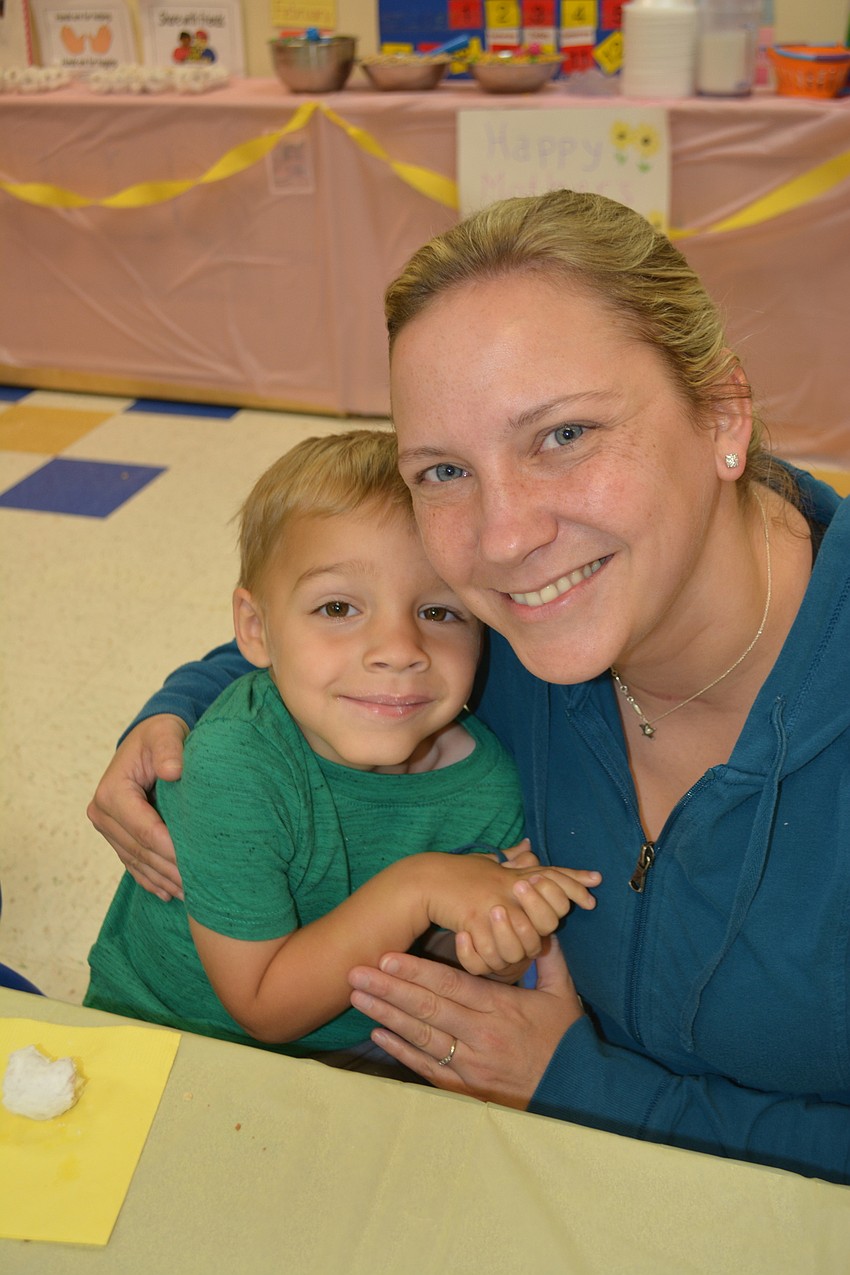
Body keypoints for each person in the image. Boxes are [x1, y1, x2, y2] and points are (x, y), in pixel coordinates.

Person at [87, 191, 850, 1184]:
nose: (502, 538)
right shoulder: (501, 629)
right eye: (443, 471)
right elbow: (337, 630)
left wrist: (589, 1088)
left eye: (564, 435)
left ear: (722, 415)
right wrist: (179, 703)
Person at [84, 429, 597, 1068]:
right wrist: (421, 885)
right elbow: (264, 1005)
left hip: (358, 1049)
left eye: (439, 613)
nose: (398, 650)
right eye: (337, 608)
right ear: (255, 628)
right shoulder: (233, 765)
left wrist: (496, 943)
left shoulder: (491, 785)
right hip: (159, 1037)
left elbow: (430, 955)